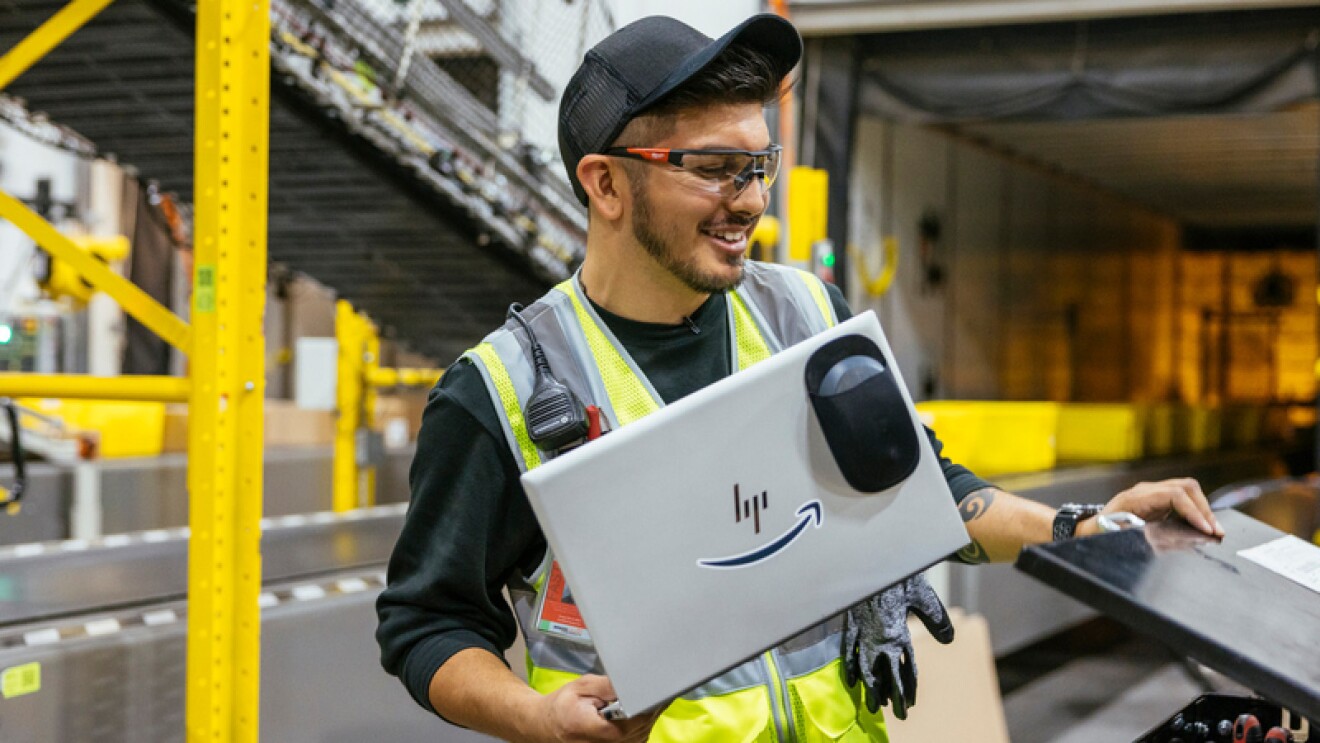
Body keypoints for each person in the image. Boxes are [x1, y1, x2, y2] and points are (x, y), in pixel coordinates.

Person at [376, 13, 1223, 743]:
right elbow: (429, 621)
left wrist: (1084, 526)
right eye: (712, 168)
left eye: (759, 166)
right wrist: (532, 714)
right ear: (606, 184)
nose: (750, 201)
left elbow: (927, 487)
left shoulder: (809, 319)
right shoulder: (504, 388)